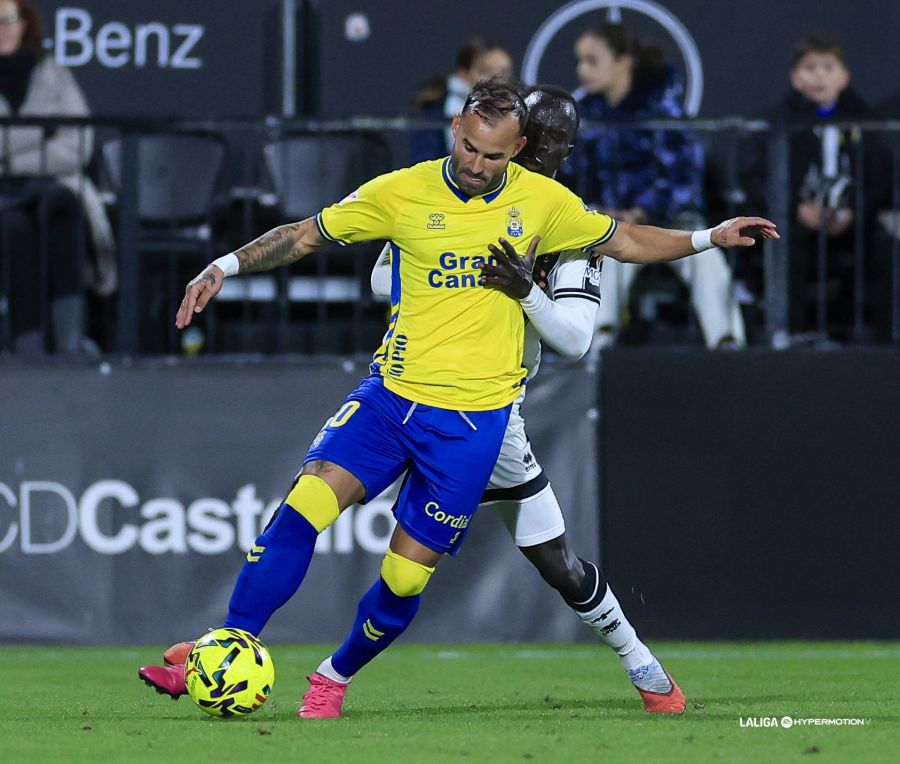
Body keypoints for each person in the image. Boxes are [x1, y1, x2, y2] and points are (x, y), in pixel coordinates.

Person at [137, 76, 776, 718]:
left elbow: (617, 260)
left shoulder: (553, 211)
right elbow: (308, 235)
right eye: (471, 147)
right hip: (391, 398)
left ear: (528, 147)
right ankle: (224, 644)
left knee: (425, 575)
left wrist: (705, 238)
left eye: (501, 154)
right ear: (456, 131)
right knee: (302, 507)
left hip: (478, 423)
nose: (479, 164)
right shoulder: (404, 191)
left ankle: (334, 676)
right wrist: (224, 265)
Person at [369, 85, 685, 713]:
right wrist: (459, 281)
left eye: (560, 144)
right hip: (411, 386)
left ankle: (646, 670)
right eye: (539, 139)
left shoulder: (565, 222)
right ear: (515, 137)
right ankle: (227, 644)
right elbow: (382, 276)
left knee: (557, 563)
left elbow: (572, 338)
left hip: (490, 414)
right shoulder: (446, 196)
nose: (547, 154)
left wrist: (523, 292)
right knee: (310, 507)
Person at [569, 22, 745, 349]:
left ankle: (728, 344)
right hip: (608, 221)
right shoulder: (582, 113)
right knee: (601, 255)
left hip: (669, 218)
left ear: (623, 62)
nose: (582, 71)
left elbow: (684, 173)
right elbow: (571, 175)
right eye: (579, 61)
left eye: (592, 61)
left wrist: (644, 210)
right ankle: (596, 350)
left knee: (707, 259)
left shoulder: (663, 105)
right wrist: (600, 209)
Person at [742, 34, 889, 341]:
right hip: (795, 220)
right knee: (782, 242)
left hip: (852, 222)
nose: (819, 76)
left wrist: (854, 212)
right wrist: (794, 207)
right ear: (795, 78)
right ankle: (791, 333)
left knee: (884, 245)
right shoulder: (778, 122)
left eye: (827, 67)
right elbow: (754, 174)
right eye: (810, 68)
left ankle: (878, 336)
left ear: (843, 77)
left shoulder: (865, 121)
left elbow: (880, 177)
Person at [0, 0, 115, 354]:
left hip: (57, 185)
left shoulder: (54, 73)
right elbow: (57, 141)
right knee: (17, 230)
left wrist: (11, 156)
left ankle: (70, 343)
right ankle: (28, 347)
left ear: (24, 23)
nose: (2, 27)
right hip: (4, 194)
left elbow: (77, 144)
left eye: (8, 19)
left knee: (64, 211)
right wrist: (44, 132)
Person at [410, 38, 514, 164]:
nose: (500, 79)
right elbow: (424, 165)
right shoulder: (438, 113)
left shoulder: (516, 114)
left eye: (505, 71)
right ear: (463, 74)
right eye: (488, 71)